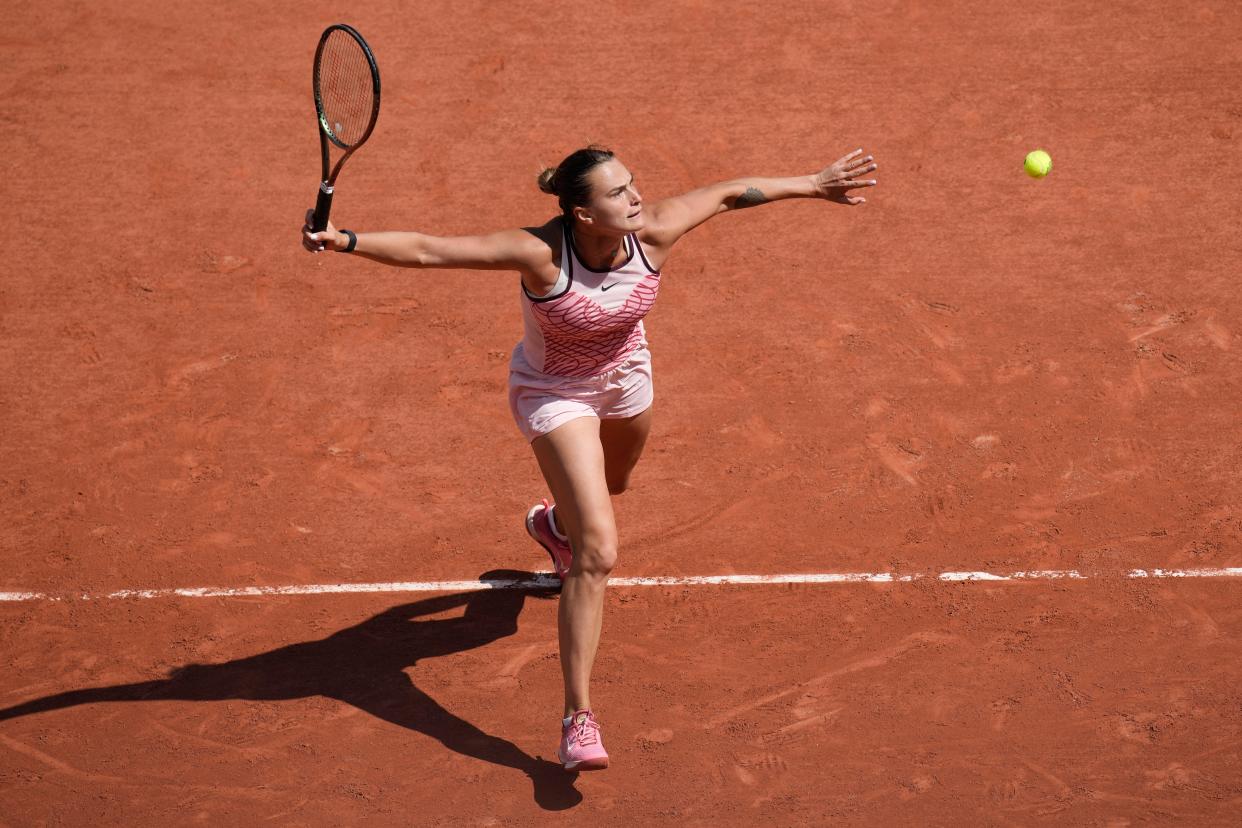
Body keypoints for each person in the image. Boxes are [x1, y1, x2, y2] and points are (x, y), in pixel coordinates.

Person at [301, 145, 878, 771]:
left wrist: (814, 183)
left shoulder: (652, 231)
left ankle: (553, 526)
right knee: (599, 549)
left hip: (626, 375)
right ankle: (578, 717)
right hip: (556, 394)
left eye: (633, 186)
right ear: (581, 212)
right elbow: (430, 250)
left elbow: (732, 191)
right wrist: (345, 239)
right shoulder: (540, 255)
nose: (635, 198)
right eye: (618, 193)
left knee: (617, 483)